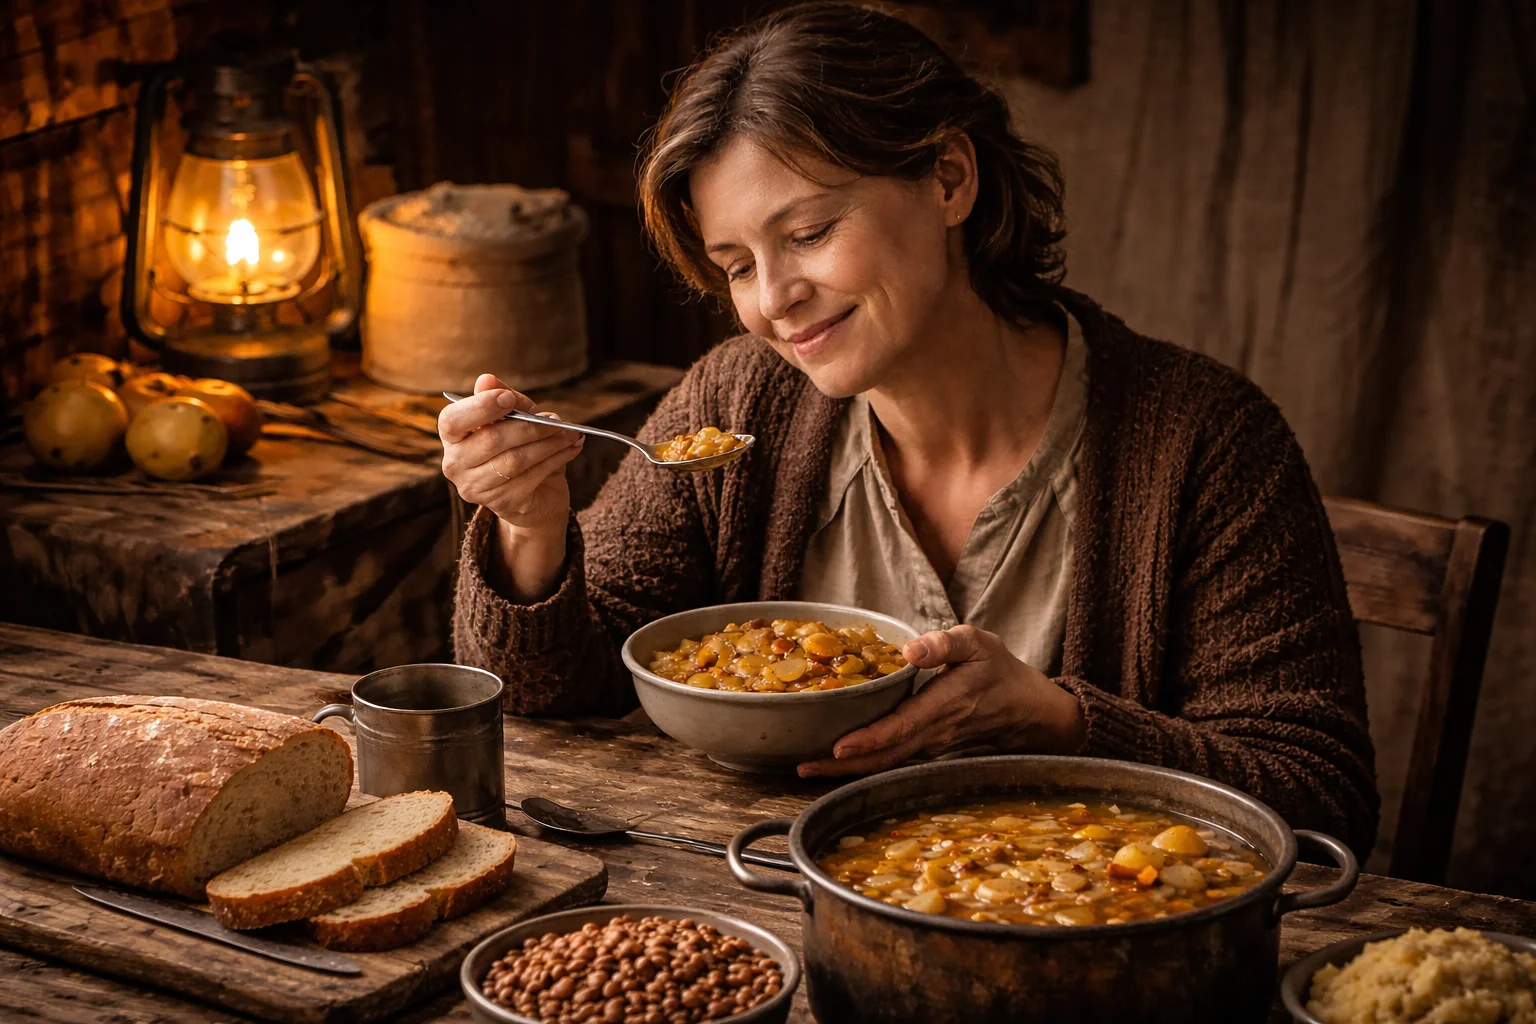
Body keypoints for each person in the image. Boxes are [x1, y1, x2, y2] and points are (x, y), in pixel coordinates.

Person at [440, 2, 1378, 853]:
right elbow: (549, 689)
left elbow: (1317, 799)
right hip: (765, 898)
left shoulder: (1201, 442)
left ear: (949, 178)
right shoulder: (737, 404)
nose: (774, 302)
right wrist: (531, 525)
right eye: (735, 265)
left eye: (807, 234)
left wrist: (1060, 723)